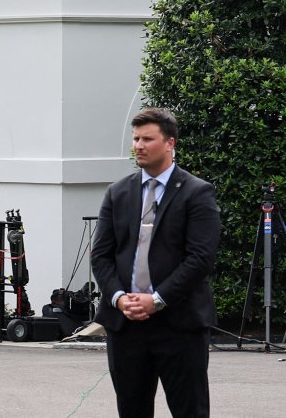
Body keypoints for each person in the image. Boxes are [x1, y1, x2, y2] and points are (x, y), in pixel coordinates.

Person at [91, 108, 220, 418]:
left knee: (190, 411)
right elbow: (101, 255)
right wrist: (120, 299)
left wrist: (157, 300)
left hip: (180, 326)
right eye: (135, 138)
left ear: (169, 143)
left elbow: (200, 258)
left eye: (147, 139)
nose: (138, 145)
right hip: (126, 326)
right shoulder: (118, 192)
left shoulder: (197, 192)